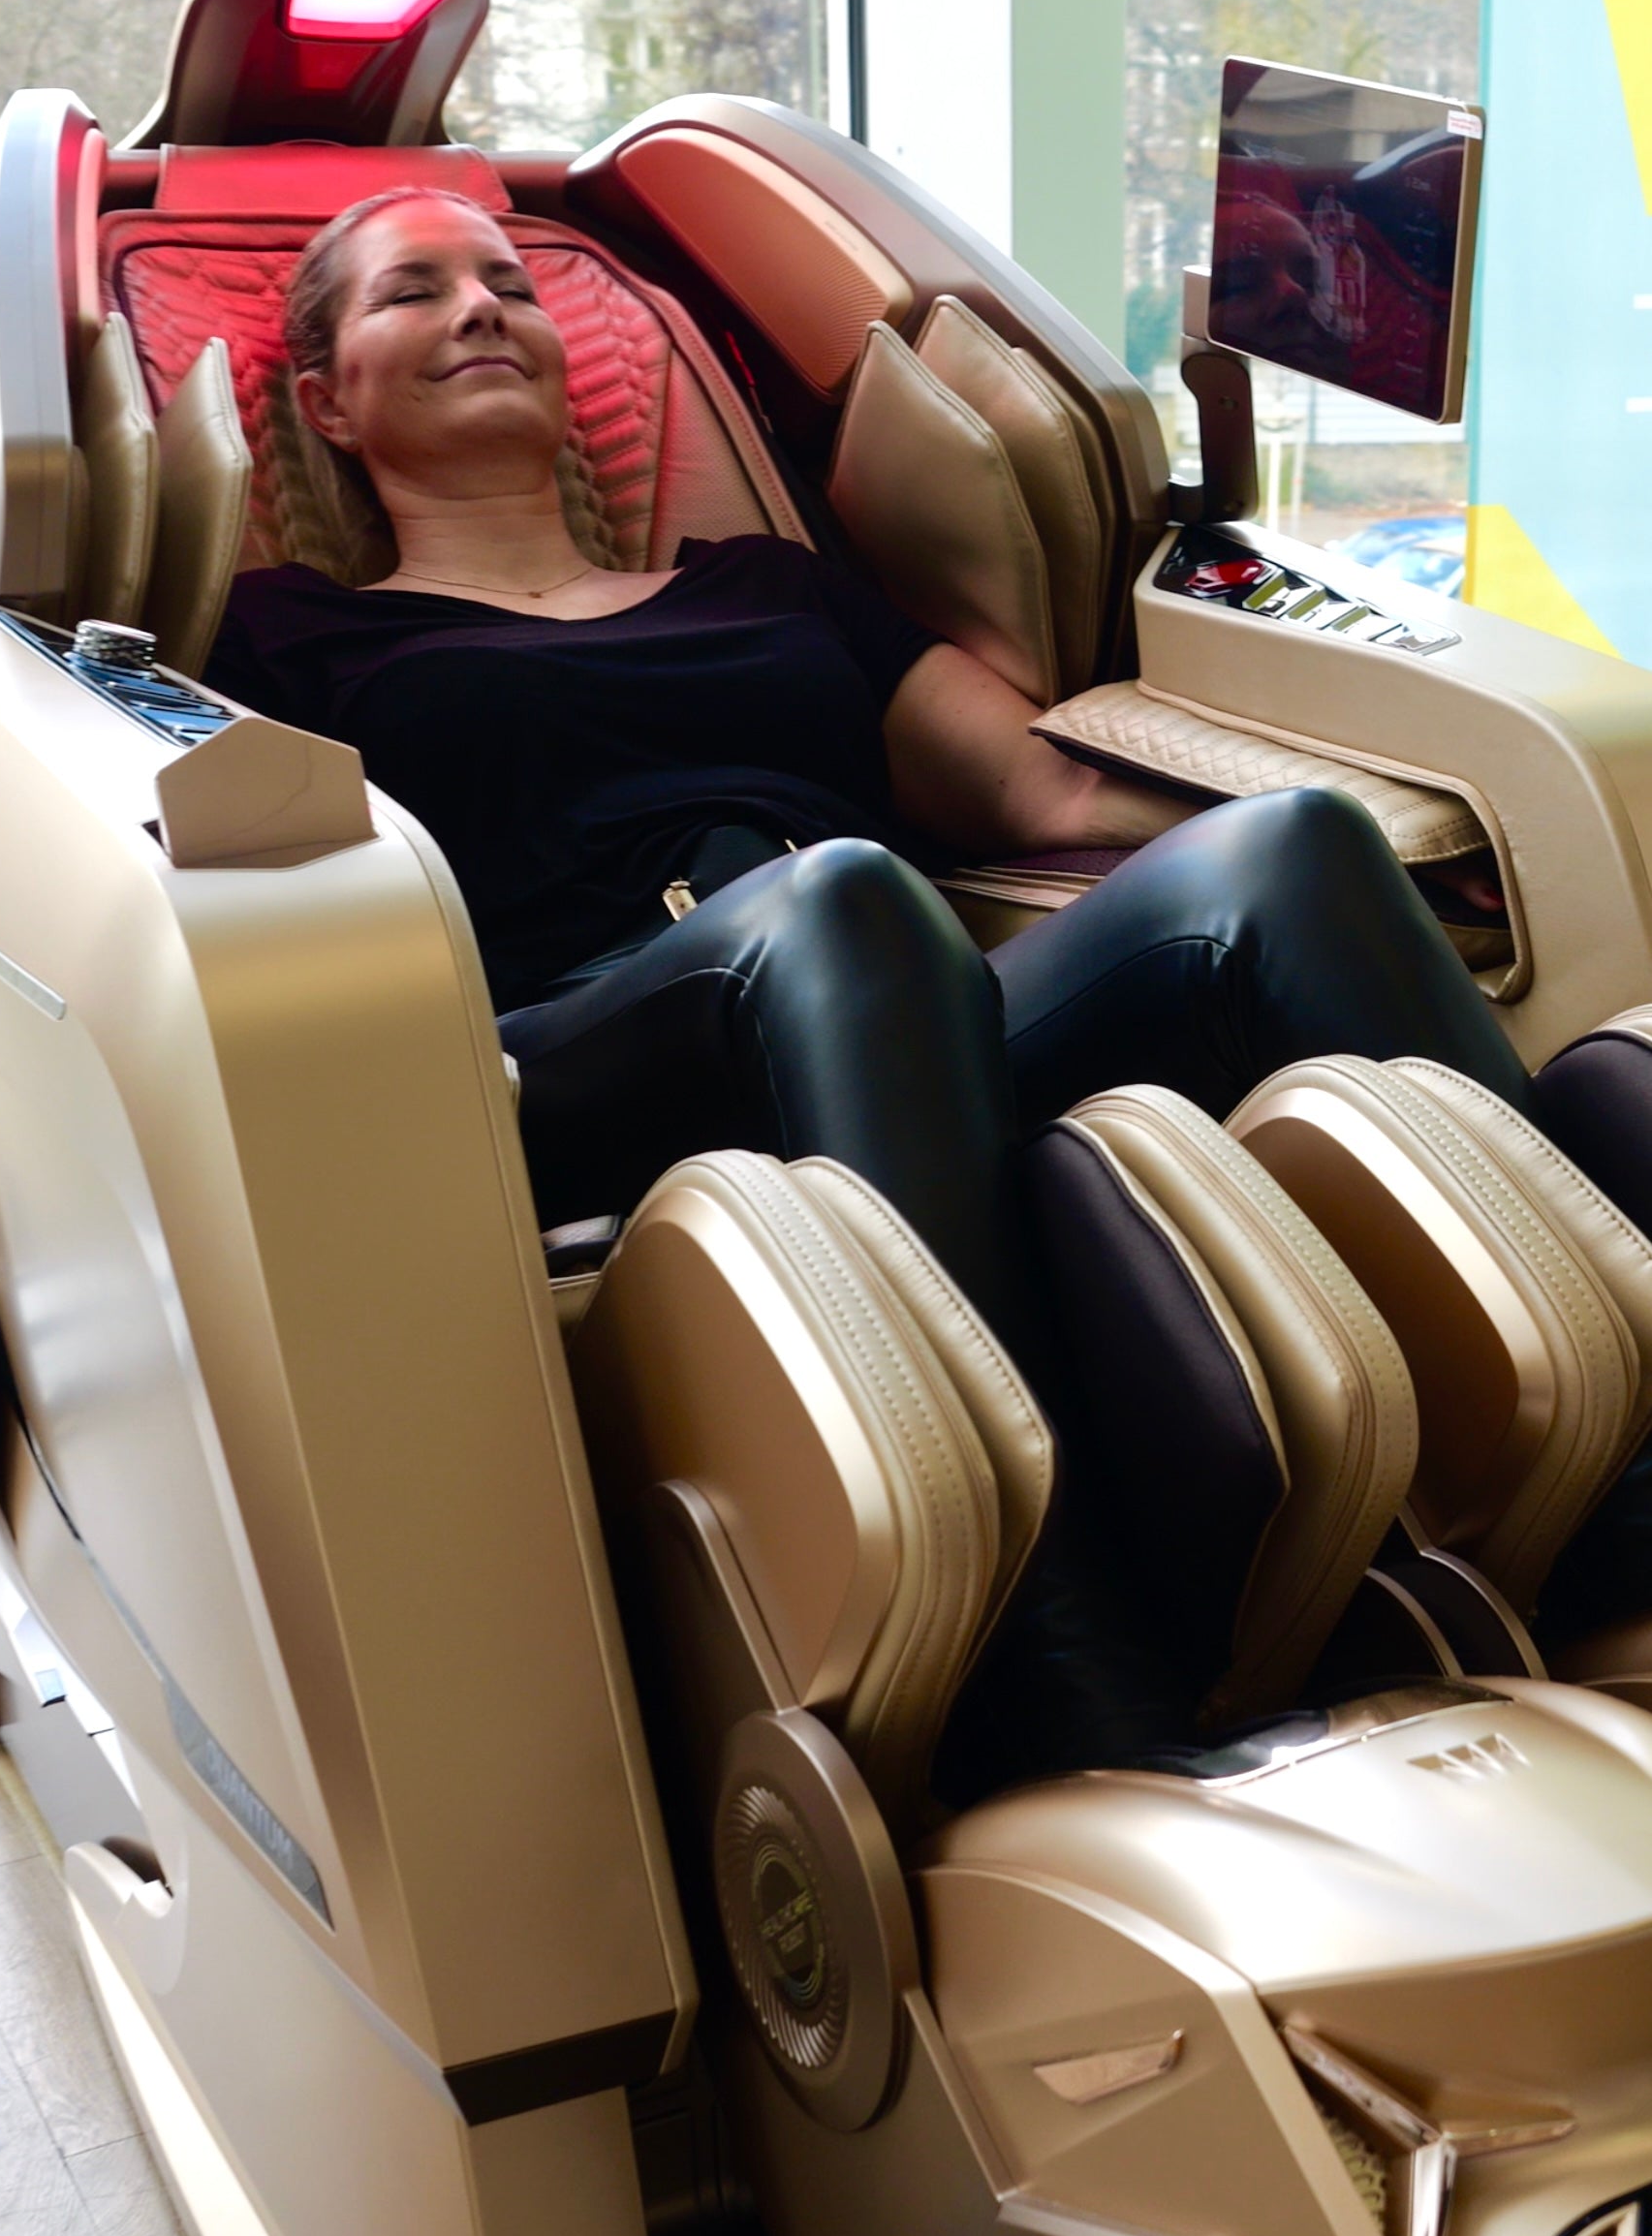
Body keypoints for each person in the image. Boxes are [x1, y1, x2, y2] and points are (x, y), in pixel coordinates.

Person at [198, 185, 1525, 1359]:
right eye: (414, 292)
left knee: (1291, 845)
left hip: (902, 994)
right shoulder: (289, 636)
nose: (482, 308)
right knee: (838, 900)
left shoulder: (764, 586)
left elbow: (1044, 792)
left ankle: (1602, 1421)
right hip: (577, 1046)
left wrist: (1408, 837)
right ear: (328, 403)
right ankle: (1039, 1547)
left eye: (510, 285)